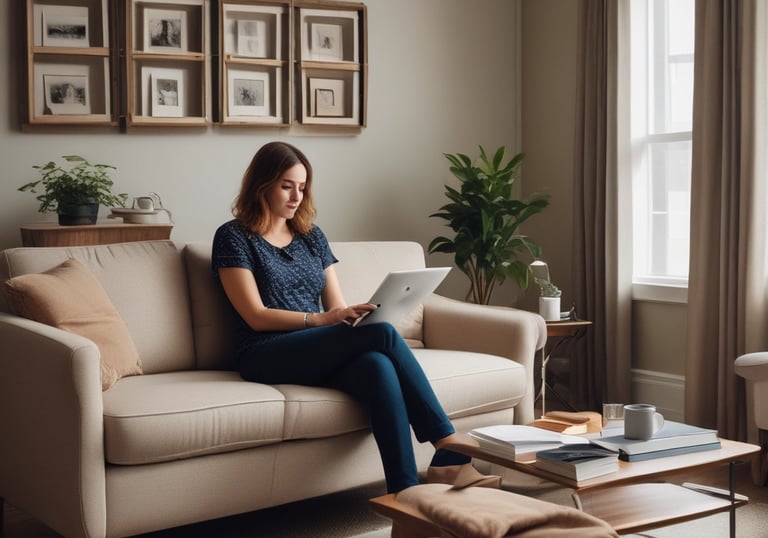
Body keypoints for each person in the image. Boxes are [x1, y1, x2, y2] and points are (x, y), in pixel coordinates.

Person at [211, 141, 500, 493]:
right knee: (384, 334)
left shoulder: (311, 236)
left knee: (377, 366)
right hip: (263, 351)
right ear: (262, 185)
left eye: (302, 187)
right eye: (287, 186)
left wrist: (350, 316)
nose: (297, 196)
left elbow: (336, 304)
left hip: (313, 346)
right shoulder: (233, 237)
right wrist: (321, 320)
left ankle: (405, 494)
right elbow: (255, 316)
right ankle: (447, 444)